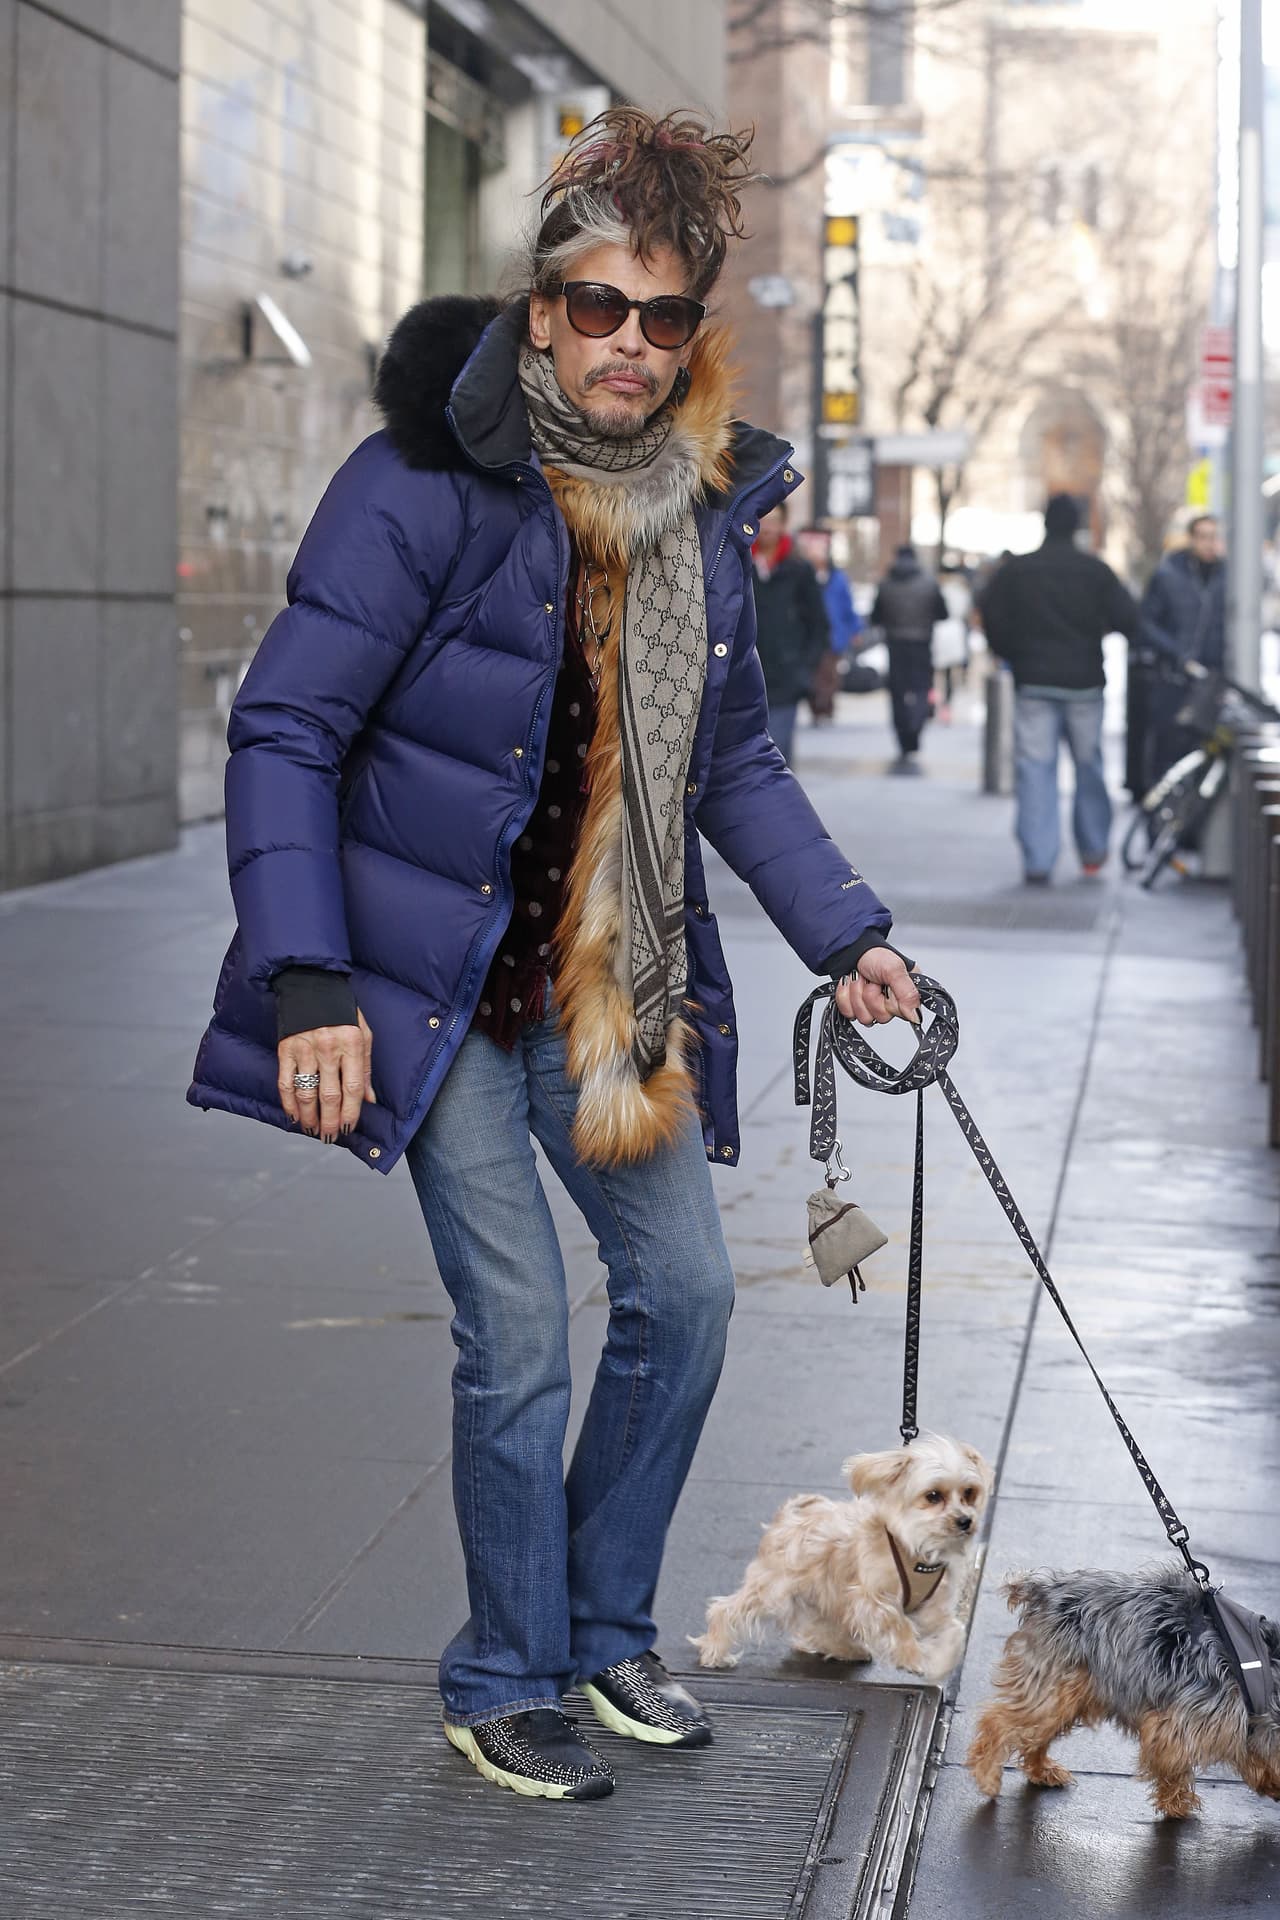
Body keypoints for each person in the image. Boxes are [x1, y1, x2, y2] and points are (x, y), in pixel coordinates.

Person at [188, 108, 920, 1803]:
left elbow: (729, 761)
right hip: (427, 988)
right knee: (517, 1331)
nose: (633, 348)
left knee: (690, 1299)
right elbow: (287, 726)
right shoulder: (421, 487)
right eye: (601, 309)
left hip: (609, 991)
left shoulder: (701, 514)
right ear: (541, 310)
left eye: (668, 321)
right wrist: (309, 981)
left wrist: (850, 938)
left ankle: (601, 1635)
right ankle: (502, 1669)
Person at [978, 494, 1139, 884]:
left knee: (1035, 769)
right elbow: (1128, 619)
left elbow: (990, 615)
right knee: (1089, 765)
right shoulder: (1096, 571)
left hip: (1034, 681)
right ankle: (1093, 849)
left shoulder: (1017, 571)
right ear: (1078, 525)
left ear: (1045, 523)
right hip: (1084, 682)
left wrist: (1013, 652)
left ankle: (1038, 858)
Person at [1136, 513, 1226, 793]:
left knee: (1203, 756)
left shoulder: (1228, 578)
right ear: (1192, 540)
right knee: (1166, 754)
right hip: (1172, 679)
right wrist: (1177, 654)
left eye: (1216, 537)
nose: (1211, 544)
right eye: (1204, 537)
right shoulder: (1169, 575)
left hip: (1212, 683)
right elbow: (1146, 623)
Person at [750, 503, 831, 763]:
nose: (768, 528)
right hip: (745, 675)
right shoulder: (739, 562)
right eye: (764, 520)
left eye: (775, 521)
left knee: (778, 753)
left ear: (784, 525)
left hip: (786, 677)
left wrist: (804, 670)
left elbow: (818, 624)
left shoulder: (799, 569)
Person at [870, 543, 949, 771]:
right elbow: (943, 613)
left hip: (895, 644)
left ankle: (904, 735)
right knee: (921, 687)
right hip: (922, 643)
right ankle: (915, 727)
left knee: (897, 691)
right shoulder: (929, 583)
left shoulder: (886, 584)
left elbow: (876, 616)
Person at [798, 525, 862, 722]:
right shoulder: (801, 575)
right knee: (814, 672)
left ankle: (825, 707)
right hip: (808, 634)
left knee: (829, 673)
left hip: (834, 633)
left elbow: (847, 605)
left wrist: (855, 629)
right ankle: (817, 707)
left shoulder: (837, 577)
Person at [934, 557, 973, 724]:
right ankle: (946, 707)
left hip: (939, 630)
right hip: (955, 631)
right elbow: (967, 611)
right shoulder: (962, 590)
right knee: (950, 674)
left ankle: (933, 702)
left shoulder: (938, 588)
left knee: (935, 672)